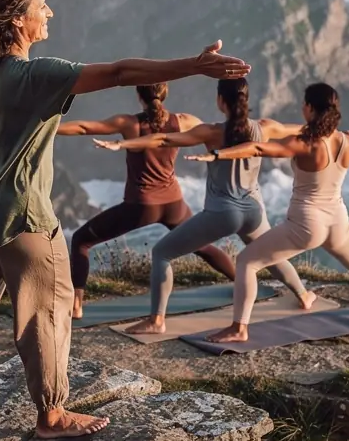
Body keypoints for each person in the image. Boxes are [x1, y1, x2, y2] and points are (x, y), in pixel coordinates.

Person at [0, 0, 250, 440]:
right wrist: (193, 66)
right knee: (47, 314)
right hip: (24, 220)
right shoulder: (37, 75)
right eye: (42, 6)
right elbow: (119, 73)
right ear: (17, 19)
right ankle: (52, 417)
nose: (49, 12)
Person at [183, 82, 349, 343]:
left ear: (309, 108)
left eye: (303, 104)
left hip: (306, 224)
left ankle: (239, 328)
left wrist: (218, 154)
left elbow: (259, 148)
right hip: (337, 221)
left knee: (246, 263)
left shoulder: (305, 143)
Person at [91, 78, 318, 335]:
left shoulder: (211, 132)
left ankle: (156, 321)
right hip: (254, 211)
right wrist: (329, 128)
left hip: (223, 214)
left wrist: (122, 144)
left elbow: (163, 140)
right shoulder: (265, 127)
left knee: (162, 253)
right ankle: (303, 295)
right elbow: (301, 130)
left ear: (220, 101)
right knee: (269, 254)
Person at [56, 84, 236, 319]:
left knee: (81, 240)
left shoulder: (129, 124)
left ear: (139, 96)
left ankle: (76, 306)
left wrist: (46, 129)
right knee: (202, 246)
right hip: (174, 204)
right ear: (165, 94)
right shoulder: (183, 121)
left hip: (141, 206)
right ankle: (242, 282)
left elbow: (83, 127)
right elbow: (213, 134)